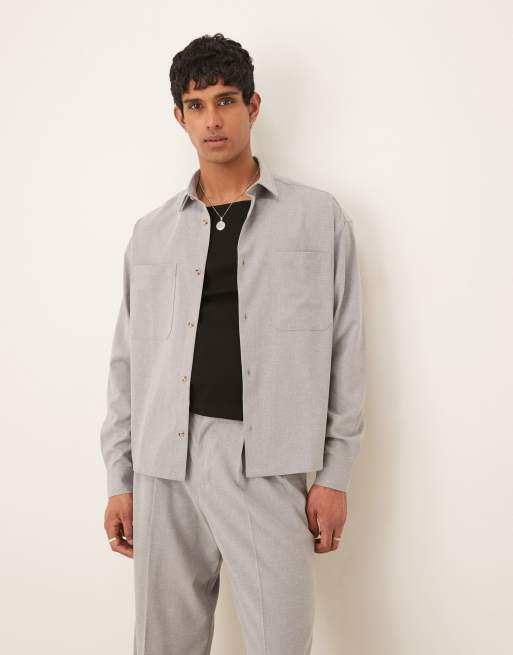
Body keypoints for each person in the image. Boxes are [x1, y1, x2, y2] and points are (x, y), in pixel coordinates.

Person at [100, 32, 367, 655]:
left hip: (265, 458)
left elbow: (346, 346)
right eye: (196, 106)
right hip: (163, 461)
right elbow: (127, 362)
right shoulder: (150, 233)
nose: (212, 120)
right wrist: (119, 476)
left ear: (253, 105)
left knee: (281, 639)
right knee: (162, 643)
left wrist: (335, 473)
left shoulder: (317, 217)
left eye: (225, 101)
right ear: (179, 117)